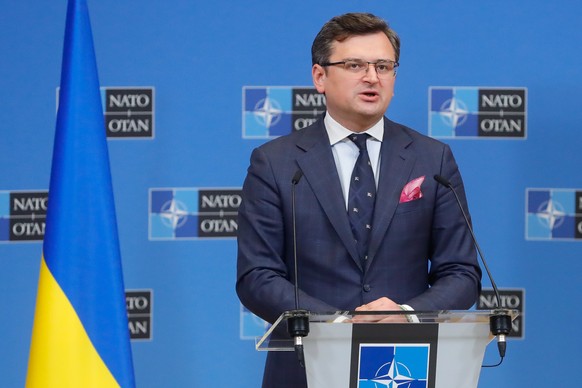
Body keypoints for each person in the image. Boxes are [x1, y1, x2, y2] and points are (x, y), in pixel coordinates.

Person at [236, 12, 481, 387]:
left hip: (405, 367)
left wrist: (407, 312)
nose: (372, 77)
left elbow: (461, 272)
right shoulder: (276, 163)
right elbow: (257, 276)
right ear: (320, 77)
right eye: (355, 65)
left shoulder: (432, 159)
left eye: (383, 66)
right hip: (306, 366)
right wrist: (338, 323)